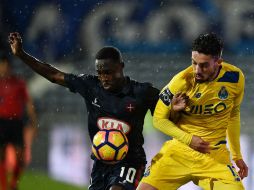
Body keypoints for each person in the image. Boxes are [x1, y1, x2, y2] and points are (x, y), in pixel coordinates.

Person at [8, 32, 160, 190]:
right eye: (99, 73)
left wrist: (175, 109)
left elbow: (167, 112)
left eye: (107, 72)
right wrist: (21, 54)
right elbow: (54, 75)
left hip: (131, 161)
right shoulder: (91, 86)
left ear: (121, 67)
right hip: (101, 162)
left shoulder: (141, 92)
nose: (103, 77)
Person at [137, 33, 248, 190]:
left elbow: (233, 114)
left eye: (204, 65)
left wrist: (237, 156)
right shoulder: (181, 81)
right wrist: (189, 139)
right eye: (194, 63)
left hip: (215, 156)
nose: (197, 70)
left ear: (218, 62)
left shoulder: (235, 78)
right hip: (178, 153)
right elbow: (158, 119)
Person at [0, 54, 37, 190]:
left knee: (20, 155)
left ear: (10, 67)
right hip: (1, 122)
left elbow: (28, 102)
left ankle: (14, 182)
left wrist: (33, 120)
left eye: (6, 66)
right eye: (2, 66)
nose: (4, 69)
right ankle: (4, 187)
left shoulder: (19, 83)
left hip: (16, 122)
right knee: (1, 154)